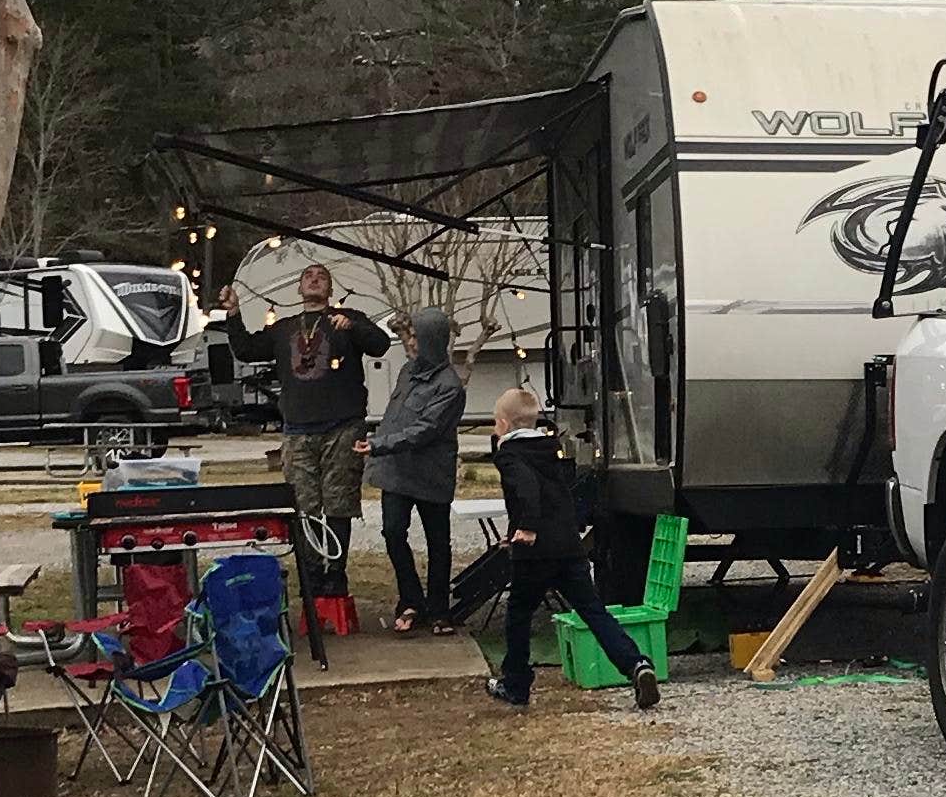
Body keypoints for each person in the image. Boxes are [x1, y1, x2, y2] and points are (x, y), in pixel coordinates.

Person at [219, 263, 391, 612]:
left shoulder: (346, 318)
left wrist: (353, 327)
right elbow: (248, 350)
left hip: (342, 426)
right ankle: (311, 575)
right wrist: (234, 314)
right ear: (298, 289)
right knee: (304, 507)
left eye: (321, 277)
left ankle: (336, 573)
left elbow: (381, 345)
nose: (314, 280)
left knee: (339, 503)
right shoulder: (283, 329)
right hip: (298, 429)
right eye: (308, 276)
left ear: (330, 289)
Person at [487, 386, 659, 710]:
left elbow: (527, 490)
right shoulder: (550, 450)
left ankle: (516, 684)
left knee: (519, 614)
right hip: (568, 546)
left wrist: (526, 528)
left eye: (496, 425)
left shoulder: (510, 455)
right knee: (594, 611)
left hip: (535, 551)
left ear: (504, 424)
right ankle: (635, 663)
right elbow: (558, 497)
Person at [367, 307, 465, 630]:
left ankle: (439, 609)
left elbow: (426, 429)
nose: (410, 343)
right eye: (409, 336)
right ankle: (410, 600)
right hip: (396, 471)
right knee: (393, 532)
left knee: (439, 541)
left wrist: (379, 445)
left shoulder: (450, 386)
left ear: (433, 342)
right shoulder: (407, 372)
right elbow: (396, 414)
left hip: (431, 473)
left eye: (416, 338)